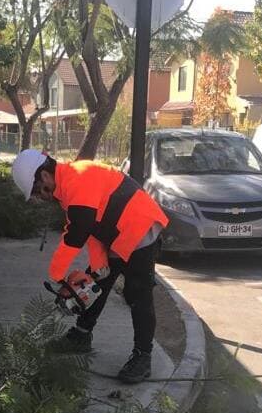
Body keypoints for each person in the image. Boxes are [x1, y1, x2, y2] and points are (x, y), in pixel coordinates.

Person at [11, 149, 168, 384]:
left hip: (139, 228)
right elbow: (93, 229)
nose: (38, 197)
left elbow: (77, 233)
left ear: (44, 176)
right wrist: (98, 267)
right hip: (116, 233)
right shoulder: (68, 188)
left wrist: (57, 274)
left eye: (35, 191)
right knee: (96, 282)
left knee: (138, 294)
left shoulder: (78, 177)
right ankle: (82, 335)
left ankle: (143, 356)